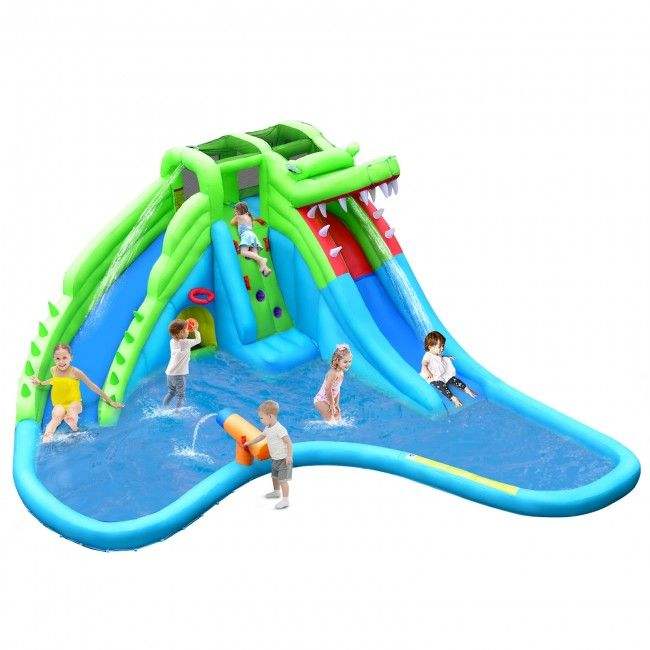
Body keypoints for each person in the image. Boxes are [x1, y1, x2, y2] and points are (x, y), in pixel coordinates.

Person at [31, 343, 124, 443]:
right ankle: (47, 435)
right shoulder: (53, 370)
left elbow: (92, 386)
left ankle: (73, 425)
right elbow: (53, 380)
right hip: (59, 403)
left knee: (72, 410)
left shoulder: (75, 372)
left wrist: (110, 401)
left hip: (74, 402)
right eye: (57, 358)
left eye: (64, 358)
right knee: (56, 415)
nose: (61, 362)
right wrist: (41, 383)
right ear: (54, 359)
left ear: (71, 357)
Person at [243, 400, 293, 510]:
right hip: (275, 458)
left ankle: (285, 500)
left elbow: (289, 443)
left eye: (261, 418)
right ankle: (276, 492)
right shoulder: (268, 428)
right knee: (274, 476)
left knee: (283, 480)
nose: (260, 420)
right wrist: (249, 443)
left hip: (283, 459)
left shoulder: (279, 429)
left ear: (270, 416)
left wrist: (289, 456)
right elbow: (261, 437)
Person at [420, 331, 477, 408]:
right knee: (440, 385)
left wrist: (447, 357)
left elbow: (440, 358)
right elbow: (424, 364)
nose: (442, 348)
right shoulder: (427, 355)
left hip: (442, 373)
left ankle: (466, 388)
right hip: (434, 376)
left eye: (443, 346)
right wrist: (427, 371)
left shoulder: (437, 353)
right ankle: (453, 398)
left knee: (453, 379)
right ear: (430, 347)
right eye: (440, 346)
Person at [163, 318, 201, 408]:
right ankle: (178, 412)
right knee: (181, 396)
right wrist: (196, 330)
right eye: (187, 330)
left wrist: (185, 329)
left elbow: (181, 339)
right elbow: (198, 340)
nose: (188, 331)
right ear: (181, 333)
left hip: (169, 373)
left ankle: (164, 407)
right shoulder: (185, 343)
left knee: (171, 392)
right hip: (178, 375)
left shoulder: (172, 341)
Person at [230, 201, 272, 276]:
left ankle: (262, 259)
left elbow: (232, 222)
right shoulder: (249, 217)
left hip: (246, 235)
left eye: (235, 210)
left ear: (239, 210)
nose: (235, 211)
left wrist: (236, 216)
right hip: (252, 235)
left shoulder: (239, 216)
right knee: (255, 255)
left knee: (243, 252)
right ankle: (266, 269)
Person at [313, 343, 353, 423]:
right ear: (337, 361)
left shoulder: (341, 372)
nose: (348, 364)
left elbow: (337, 389)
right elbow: (328, 389)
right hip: (321, 401)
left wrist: (336, 404)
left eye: (349, 361)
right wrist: (332, 404)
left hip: (330, 399)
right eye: (345, 362)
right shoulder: (333, 373)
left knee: (338, 418)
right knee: (331, 422)